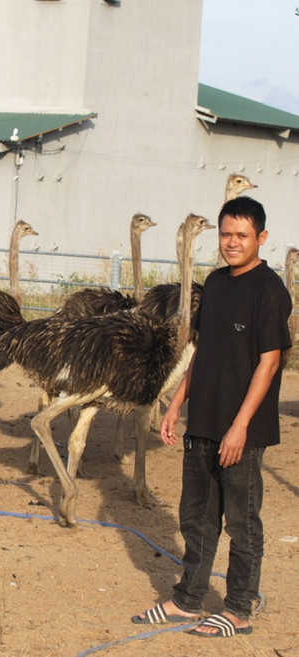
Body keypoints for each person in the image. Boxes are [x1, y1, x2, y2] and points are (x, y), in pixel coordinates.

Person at [132, 196, 293, 638]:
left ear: (261, 238)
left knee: (241, 520)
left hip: (241, 427)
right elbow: (203, 350)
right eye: (226, 235)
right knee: (197, 515)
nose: (232, 243)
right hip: (202, 419)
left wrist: (240, 426)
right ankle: (188, 599)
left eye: (242, 235)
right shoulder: (217, 284)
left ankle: (240, 607)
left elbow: (270, 362)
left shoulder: (270, 291)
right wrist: (177, 403)